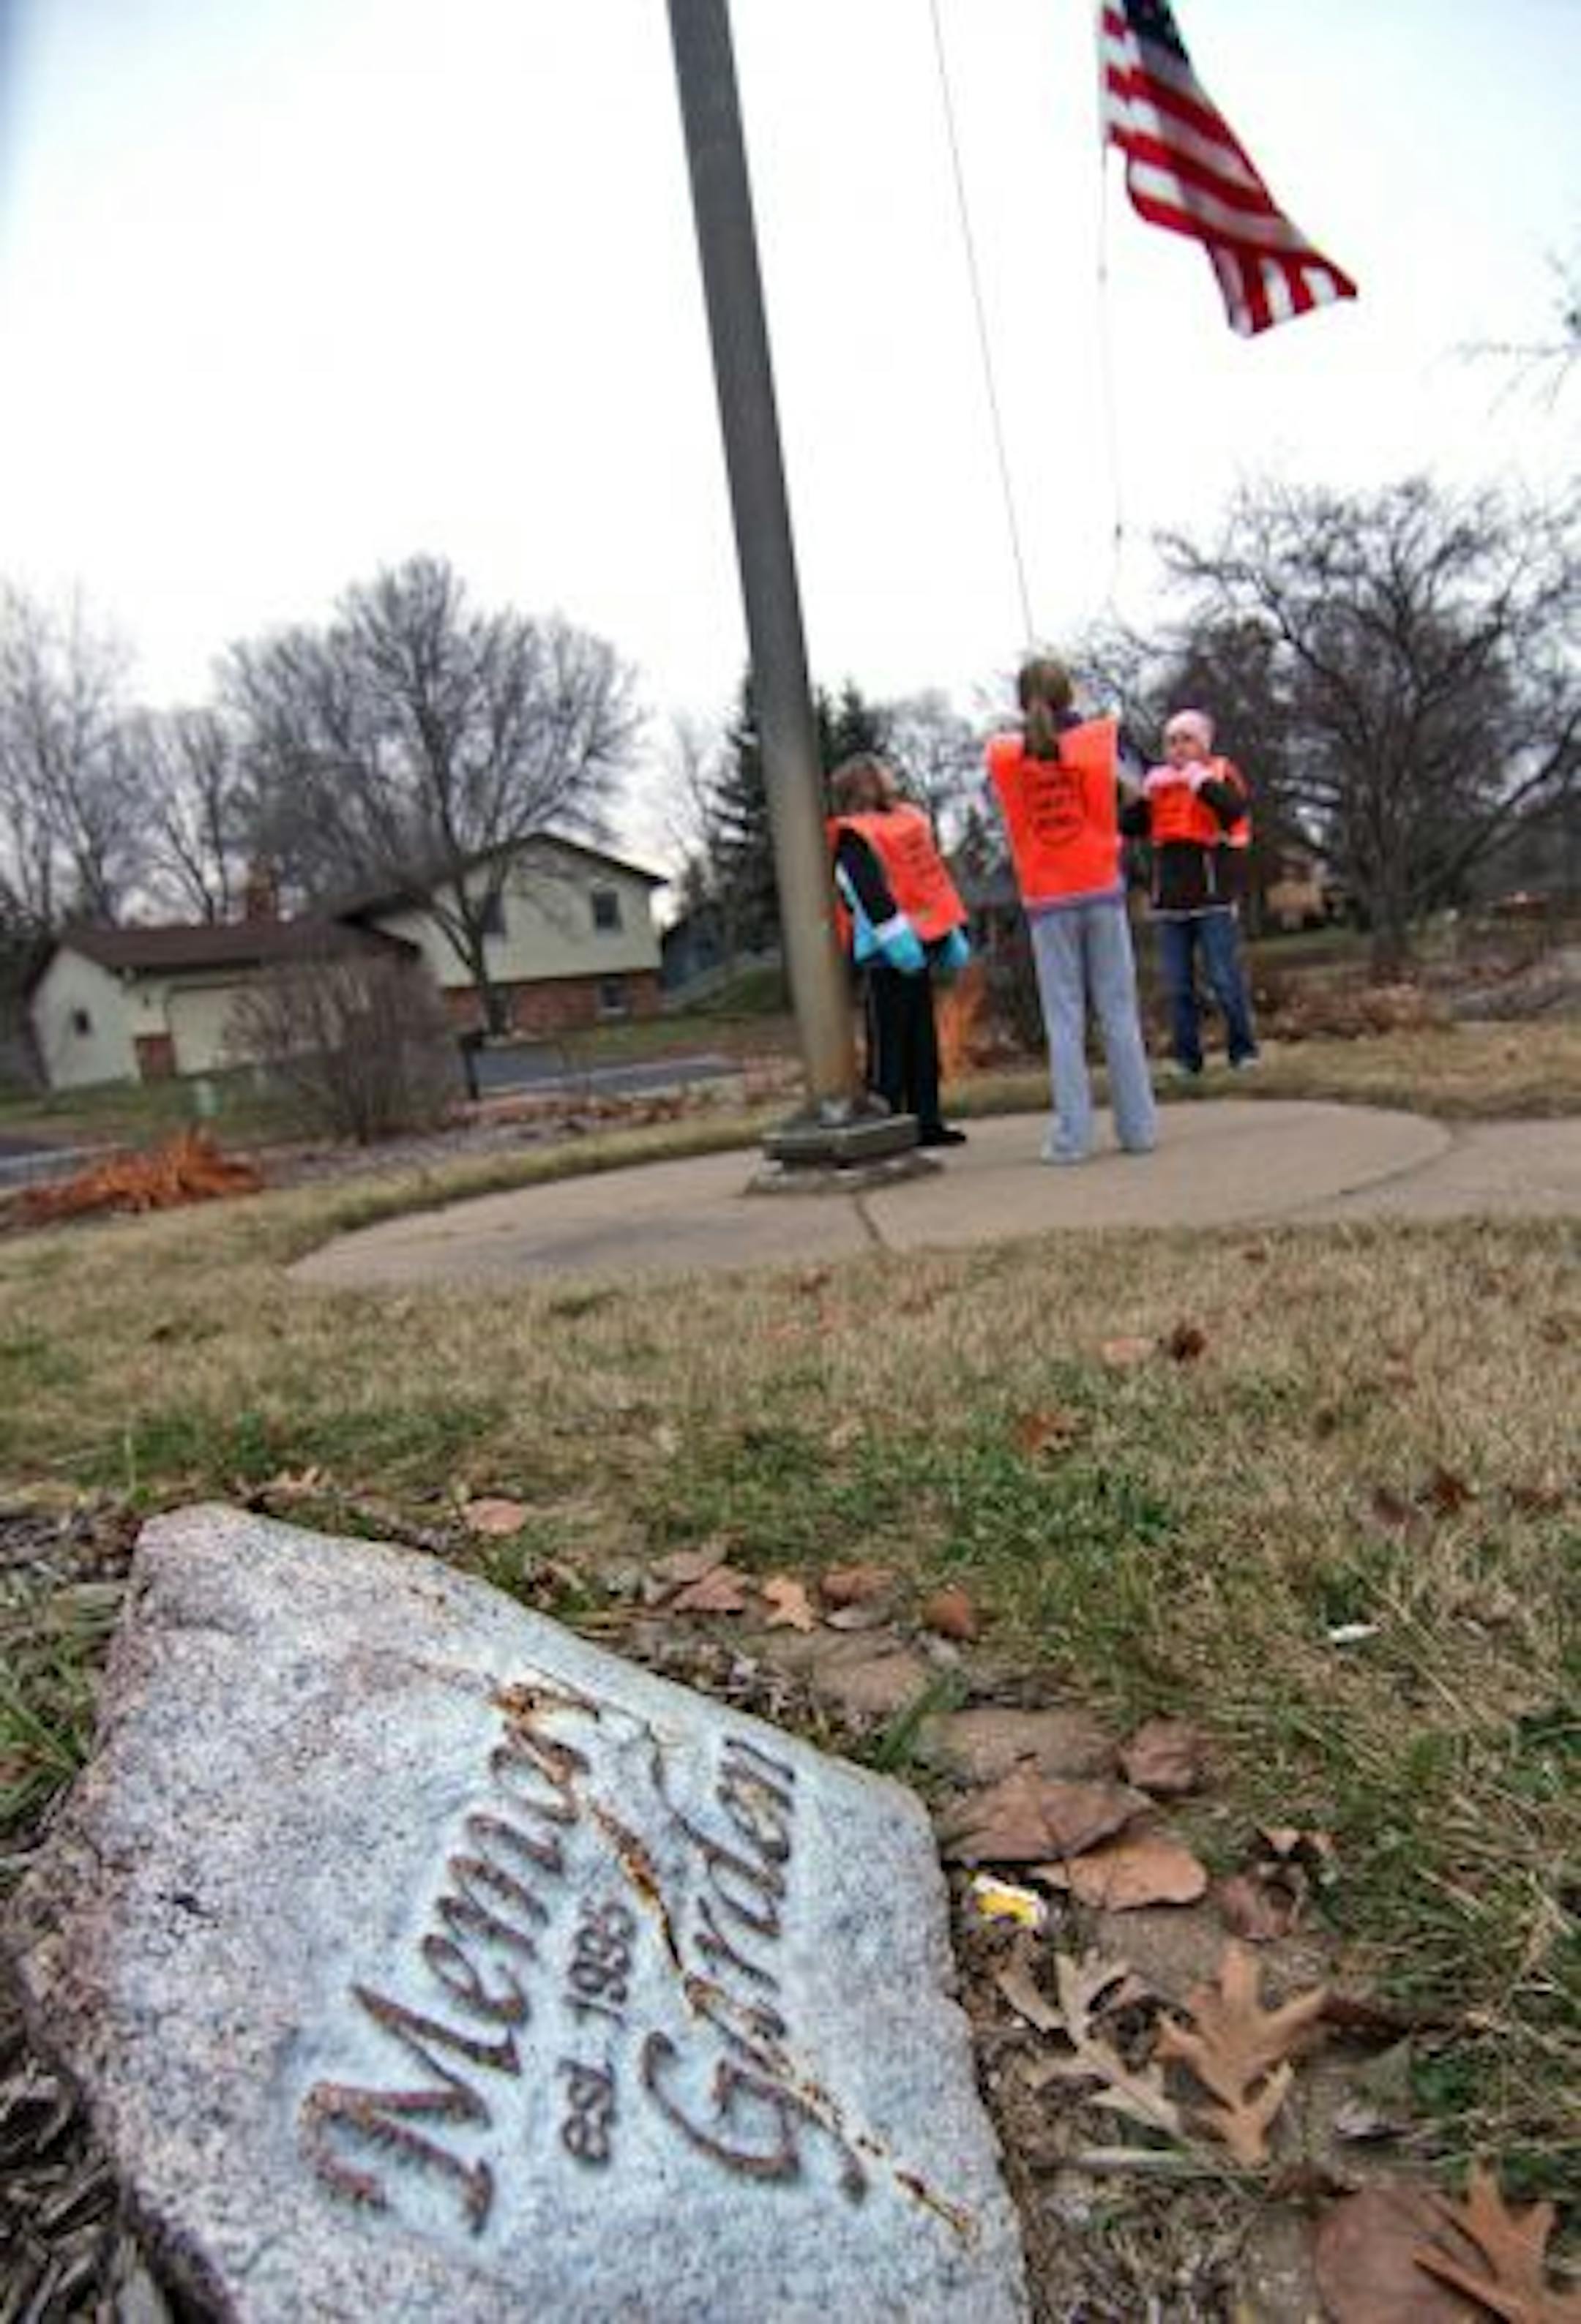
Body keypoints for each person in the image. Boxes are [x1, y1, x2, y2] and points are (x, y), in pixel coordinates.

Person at [985, 658, 1156, 1164]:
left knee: (1064, 1022)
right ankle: (1138, 1130)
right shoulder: (1102, 741)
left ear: (1021, 700)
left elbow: (998, 810)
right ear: (1070, 694)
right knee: (1119, 1013)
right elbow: (1141, 797)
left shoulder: (1004, 755)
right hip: (1101, 884)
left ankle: (1071, 1139)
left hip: (1046, 896)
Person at [827, 754, 971, 1148]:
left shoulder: (907, 822)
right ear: (866, 784)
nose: (893, 777)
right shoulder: (854, 835)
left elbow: (930, 877)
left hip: (919, 941)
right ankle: (889, 1119)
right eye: (884, 772)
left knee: (922, 1039)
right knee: (889, 1041)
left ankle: (927, 1120)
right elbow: (867, 891)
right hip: (884, 953)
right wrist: (894, 935)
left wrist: (948, 930)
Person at [1123, 708, 1259, 1076]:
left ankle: (1243, 1051)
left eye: (1187, 740)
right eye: (1171, 741)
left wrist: (1202, 784)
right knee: (1178, 987)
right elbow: (1130, 827)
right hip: (1170, 902)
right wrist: (1138, 797)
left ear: (1203, 744)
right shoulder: (1158, 782)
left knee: (1223, 978)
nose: (1178, 748)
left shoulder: (1217, 773)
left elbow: (1235, 812)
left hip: (1212, 897)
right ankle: (1187, 1058)